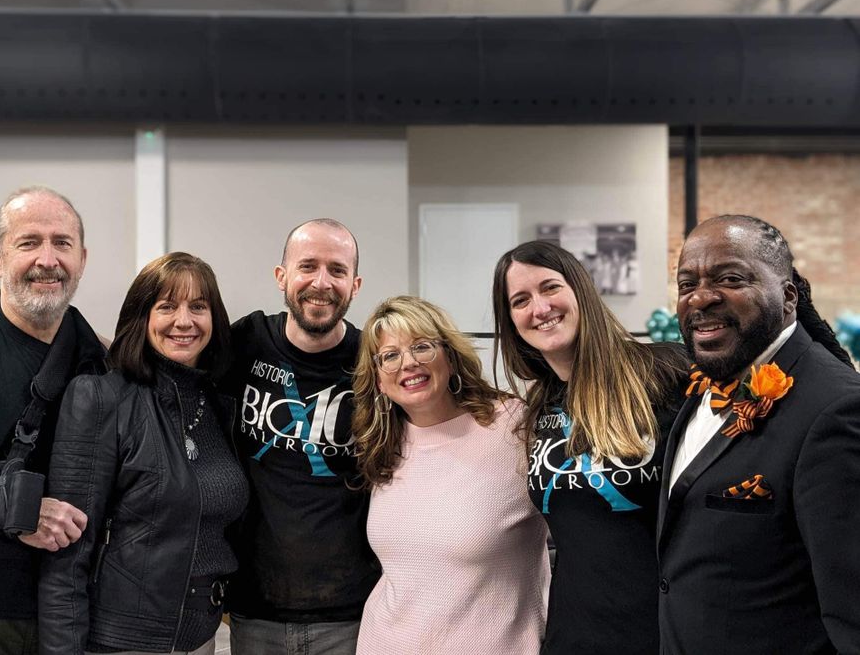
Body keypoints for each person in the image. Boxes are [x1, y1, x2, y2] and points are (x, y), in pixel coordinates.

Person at [659, 215, 860, 654]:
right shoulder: (700, 389)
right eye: (686, 284)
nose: (702, 297)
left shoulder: (837, 409)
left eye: (730, 278)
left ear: (788, 296)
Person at [39, 252, 248, 655]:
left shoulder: (219, 406)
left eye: (198, 307)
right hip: (123, 641)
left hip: (203, 639)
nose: (184, 321)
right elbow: (67, 554)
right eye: (167, 306)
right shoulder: (101, 399)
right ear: (142, 315)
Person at [492, 240, 687, 655]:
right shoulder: (538, 407)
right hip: (575, 634)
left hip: (666, 634)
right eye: (520, 300)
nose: (540, 309)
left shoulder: (668, 371)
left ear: (580, 289)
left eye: (550, 288)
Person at [0, 186, 107, 654]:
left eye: (62, 243)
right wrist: (13, 507)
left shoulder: (106, 366)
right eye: (29, 242)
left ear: (83, 258)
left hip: (71, 619)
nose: (47, 259)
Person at [351, 296, 550, 655]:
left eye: (422, 347)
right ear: (379, 380)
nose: (408, 363)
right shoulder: (384, 444)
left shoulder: (514, 426)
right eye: (390, 356)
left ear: (449, 355)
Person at [222, 219, 380, 655]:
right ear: (282, 277)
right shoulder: (246, 341)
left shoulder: (375, 362)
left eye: (337, 270)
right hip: (255, 611)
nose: (321, 282)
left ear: (355, 284)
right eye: (308, 266)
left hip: (353, 613)